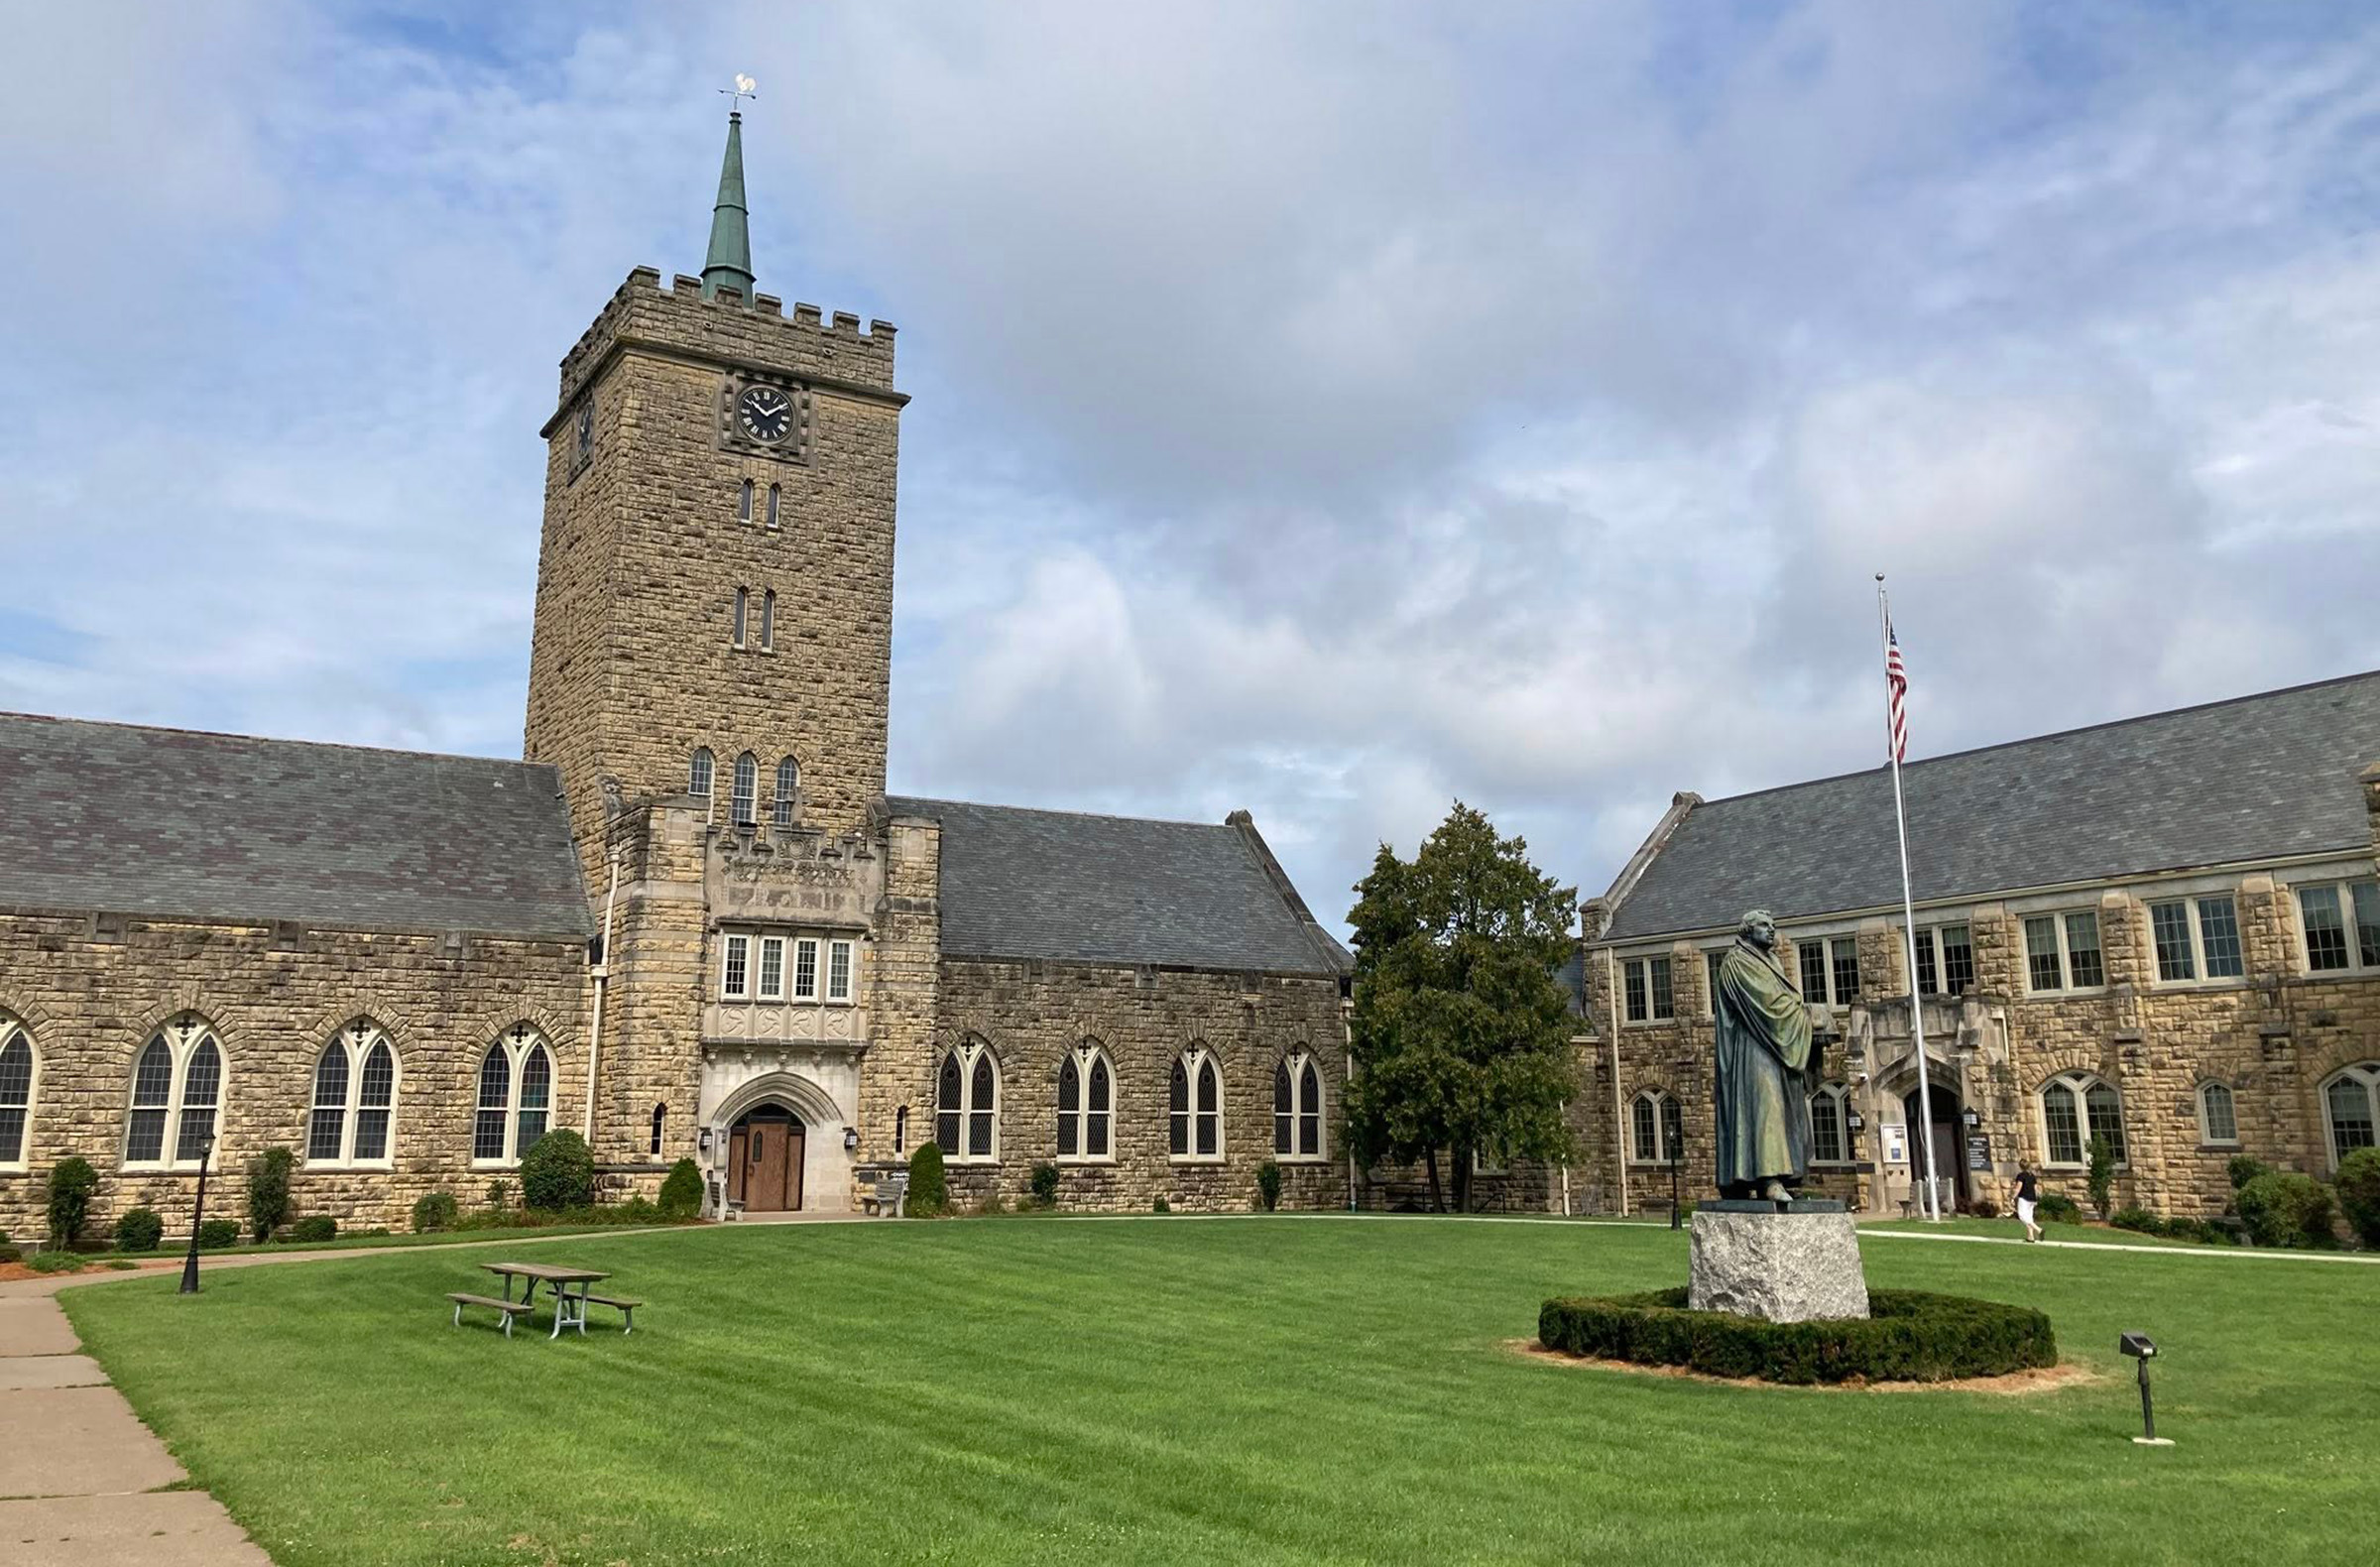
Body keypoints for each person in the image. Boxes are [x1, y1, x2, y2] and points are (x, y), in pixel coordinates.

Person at [1711, 908, 1816, 1202]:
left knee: (1784, 1111)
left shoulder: (1770, 960)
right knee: (1765, 1108)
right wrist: (1806, 1015)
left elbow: (1782, 1003)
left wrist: (1800, 1014)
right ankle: (1768, 1179)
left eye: (1773, 925)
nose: (1771, 930)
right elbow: (1769, 1005)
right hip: (1753, 1051)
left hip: (1775, 1047)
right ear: (1747, 930)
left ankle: (1784, 1175)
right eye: (1763, 925)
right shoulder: (1738, 962)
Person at [2013, 1163, 2042, 1243]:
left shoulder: (2021, 1176)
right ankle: (2030, 1237)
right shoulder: (2032, 1175)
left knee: (2022, 1216)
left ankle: (2038, 1229)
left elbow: (2019, 1187)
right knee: (2029, 1217)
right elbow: (2035, 1188)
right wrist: (2036, 1199)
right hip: (2032, 1198)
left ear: (2020, 1166)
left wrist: (2013, 1197)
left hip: (2024, 1198)